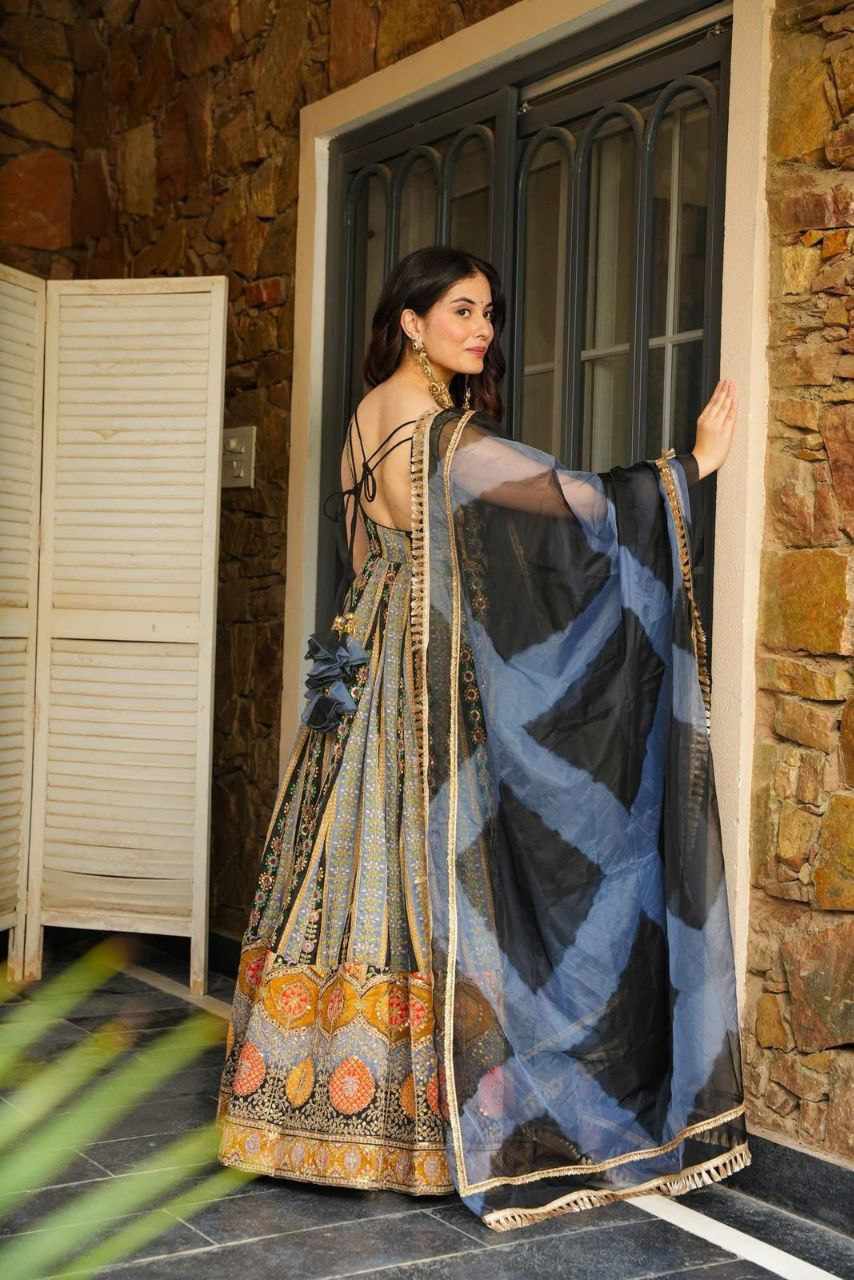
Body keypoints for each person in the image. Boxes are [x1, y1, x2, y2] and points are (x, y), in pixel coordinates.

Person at [215, 246, 749, 1231]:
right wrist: (688, 470)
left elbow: (377, 554)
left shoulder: (365, 418)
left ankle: (308, 1107)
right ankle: (420, 1128)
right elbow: (570, 502)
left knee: (360, 866)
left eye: (489, 312)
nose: (482, 329)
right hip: (423, 682)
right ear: (410, 321)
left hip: (366, 662)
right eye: (460, 310)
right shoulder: (438, 431)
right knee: (435, 875)